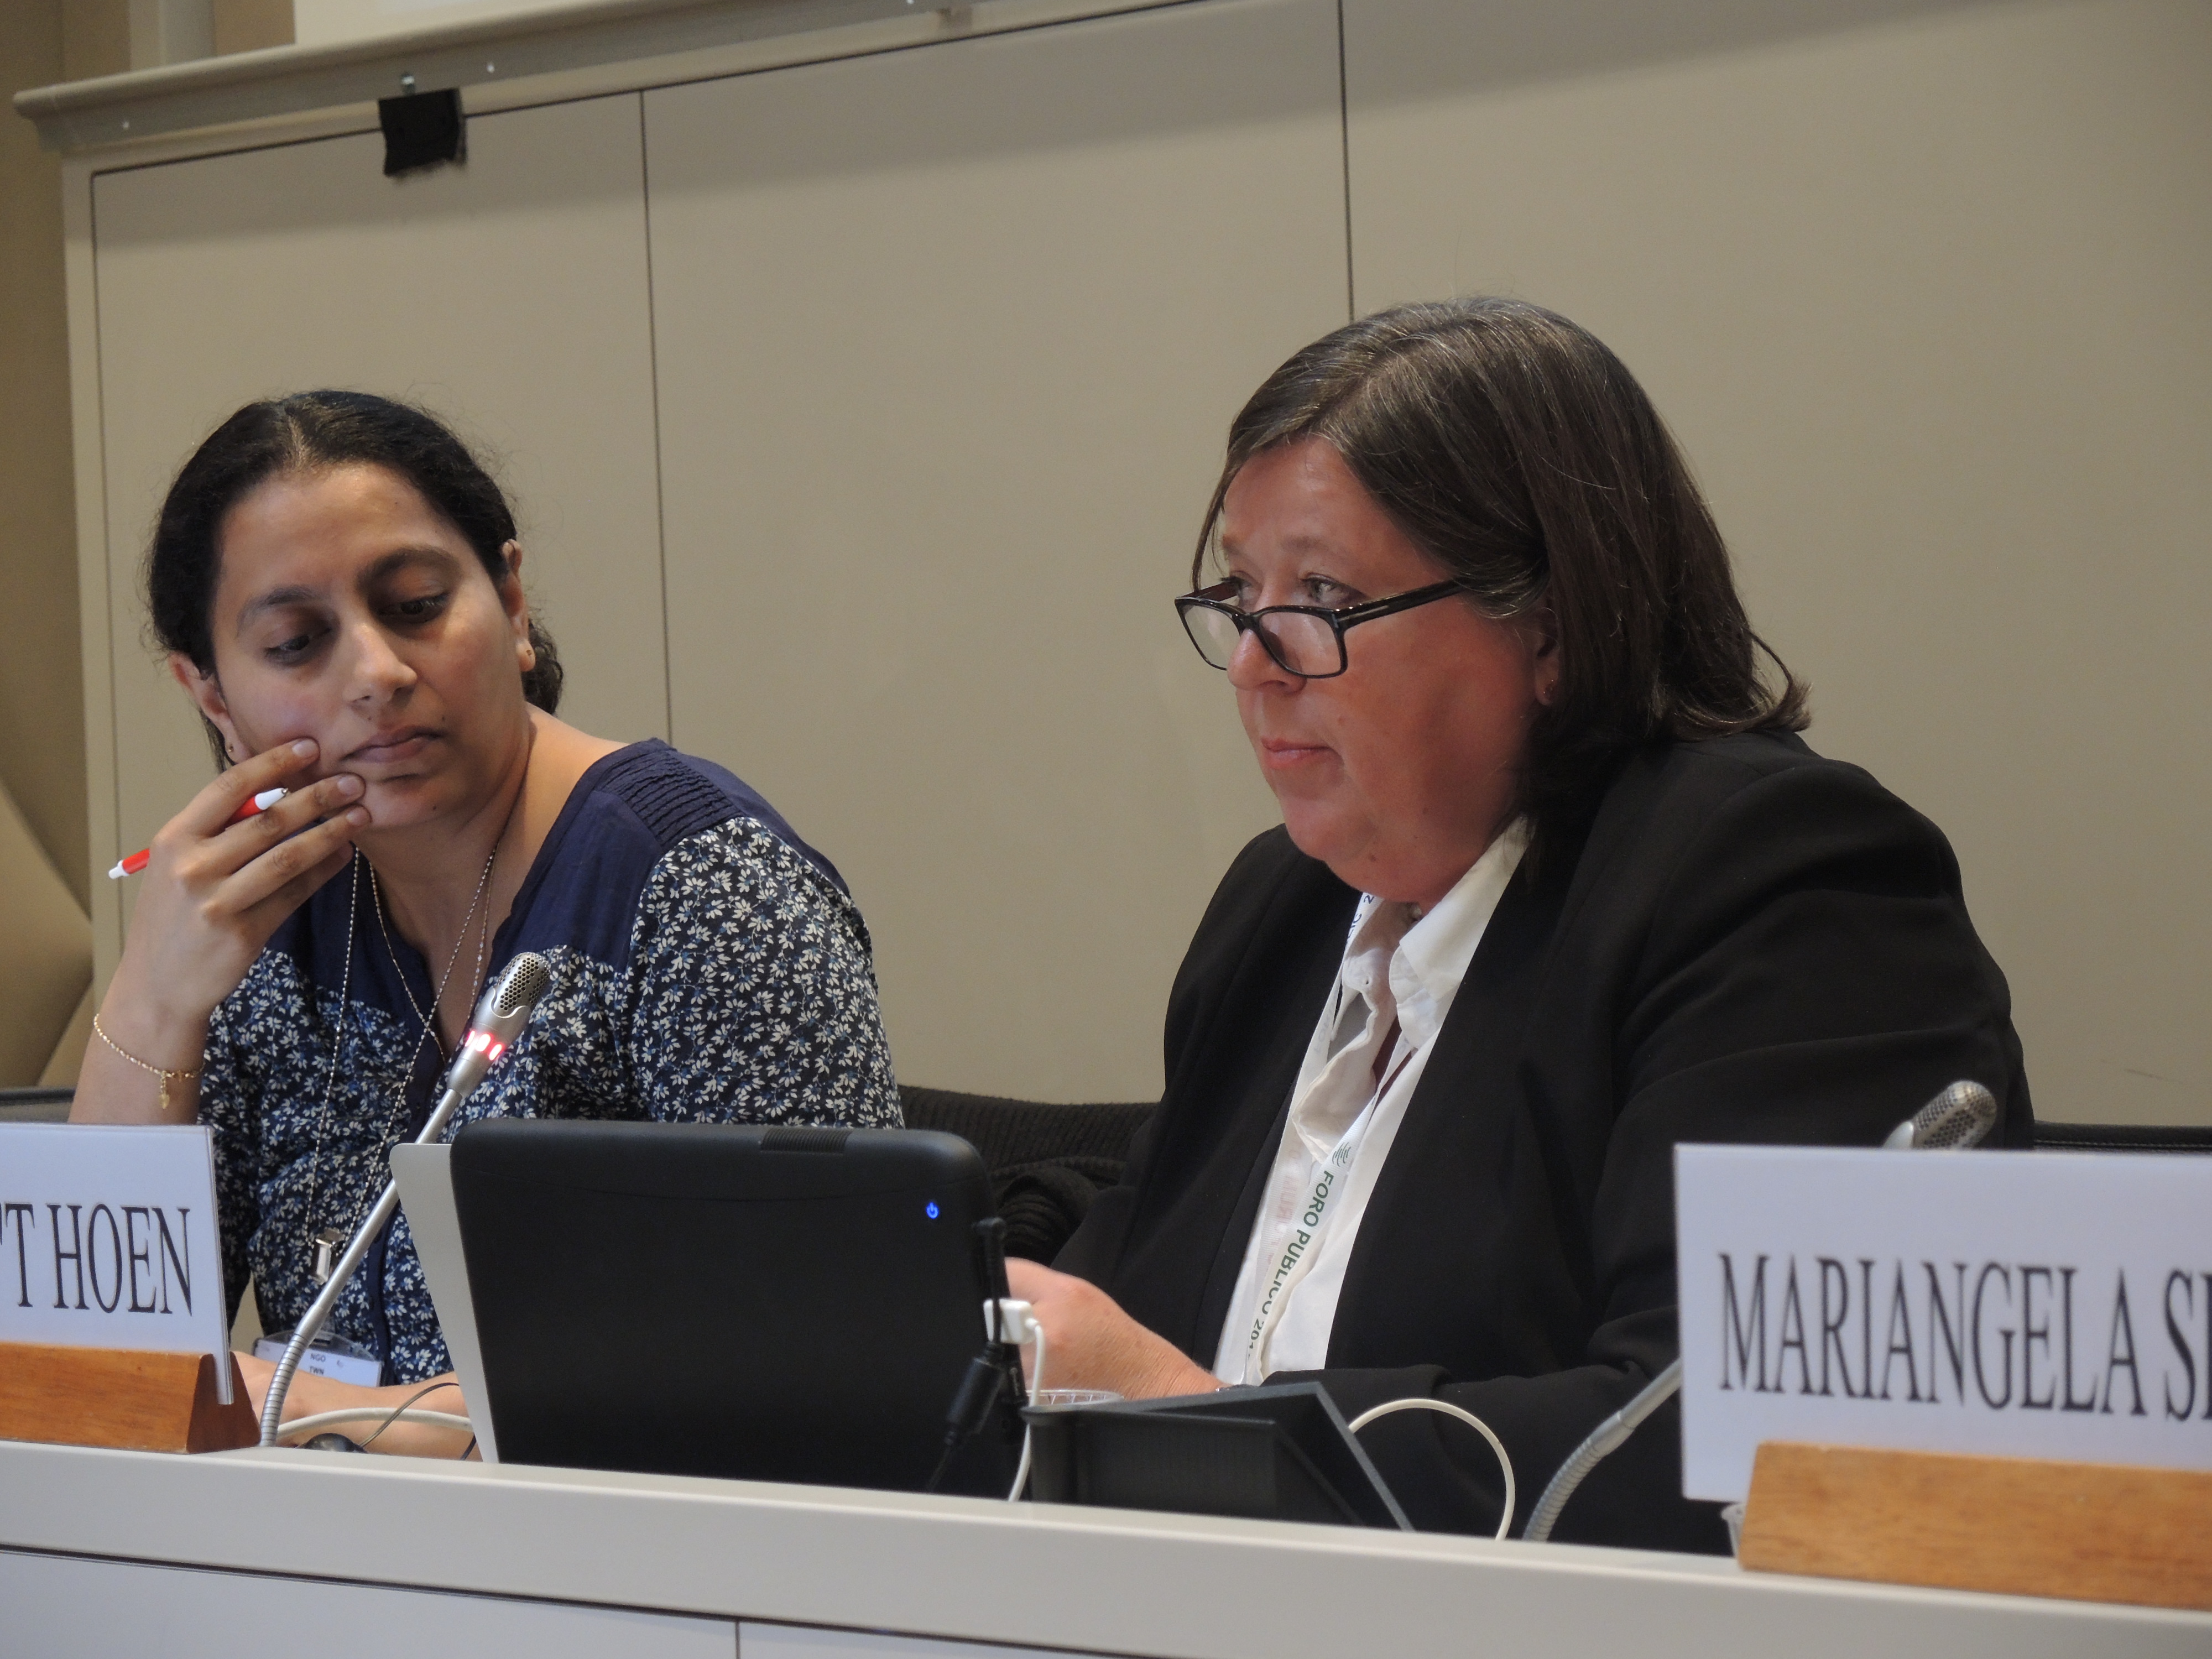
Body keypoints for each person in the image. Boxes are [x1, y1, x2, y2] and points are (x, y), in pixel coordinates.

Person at [1006, 298, 2031, 1550]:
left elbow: (1729, 1442)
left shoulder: (1778, 884)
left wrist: (1181, 1419)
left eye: (1321, 595)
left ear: (1549, 627)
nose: (1254, 663)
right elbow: (1128, 1273)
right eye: (1240, 592)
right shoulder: (1281, 910)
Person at [74, 391, 901, 1453]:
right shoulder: (261, 922)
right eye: (296, 642)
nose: (378, 675)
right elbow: (94, 1359)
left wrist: (304, 1410)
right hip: (309, 1545)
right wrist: (153, 995)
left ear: (511, 605)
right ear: (213, 699)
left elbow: (818, 1363)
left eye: (417, 605)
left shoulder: (700, 887)